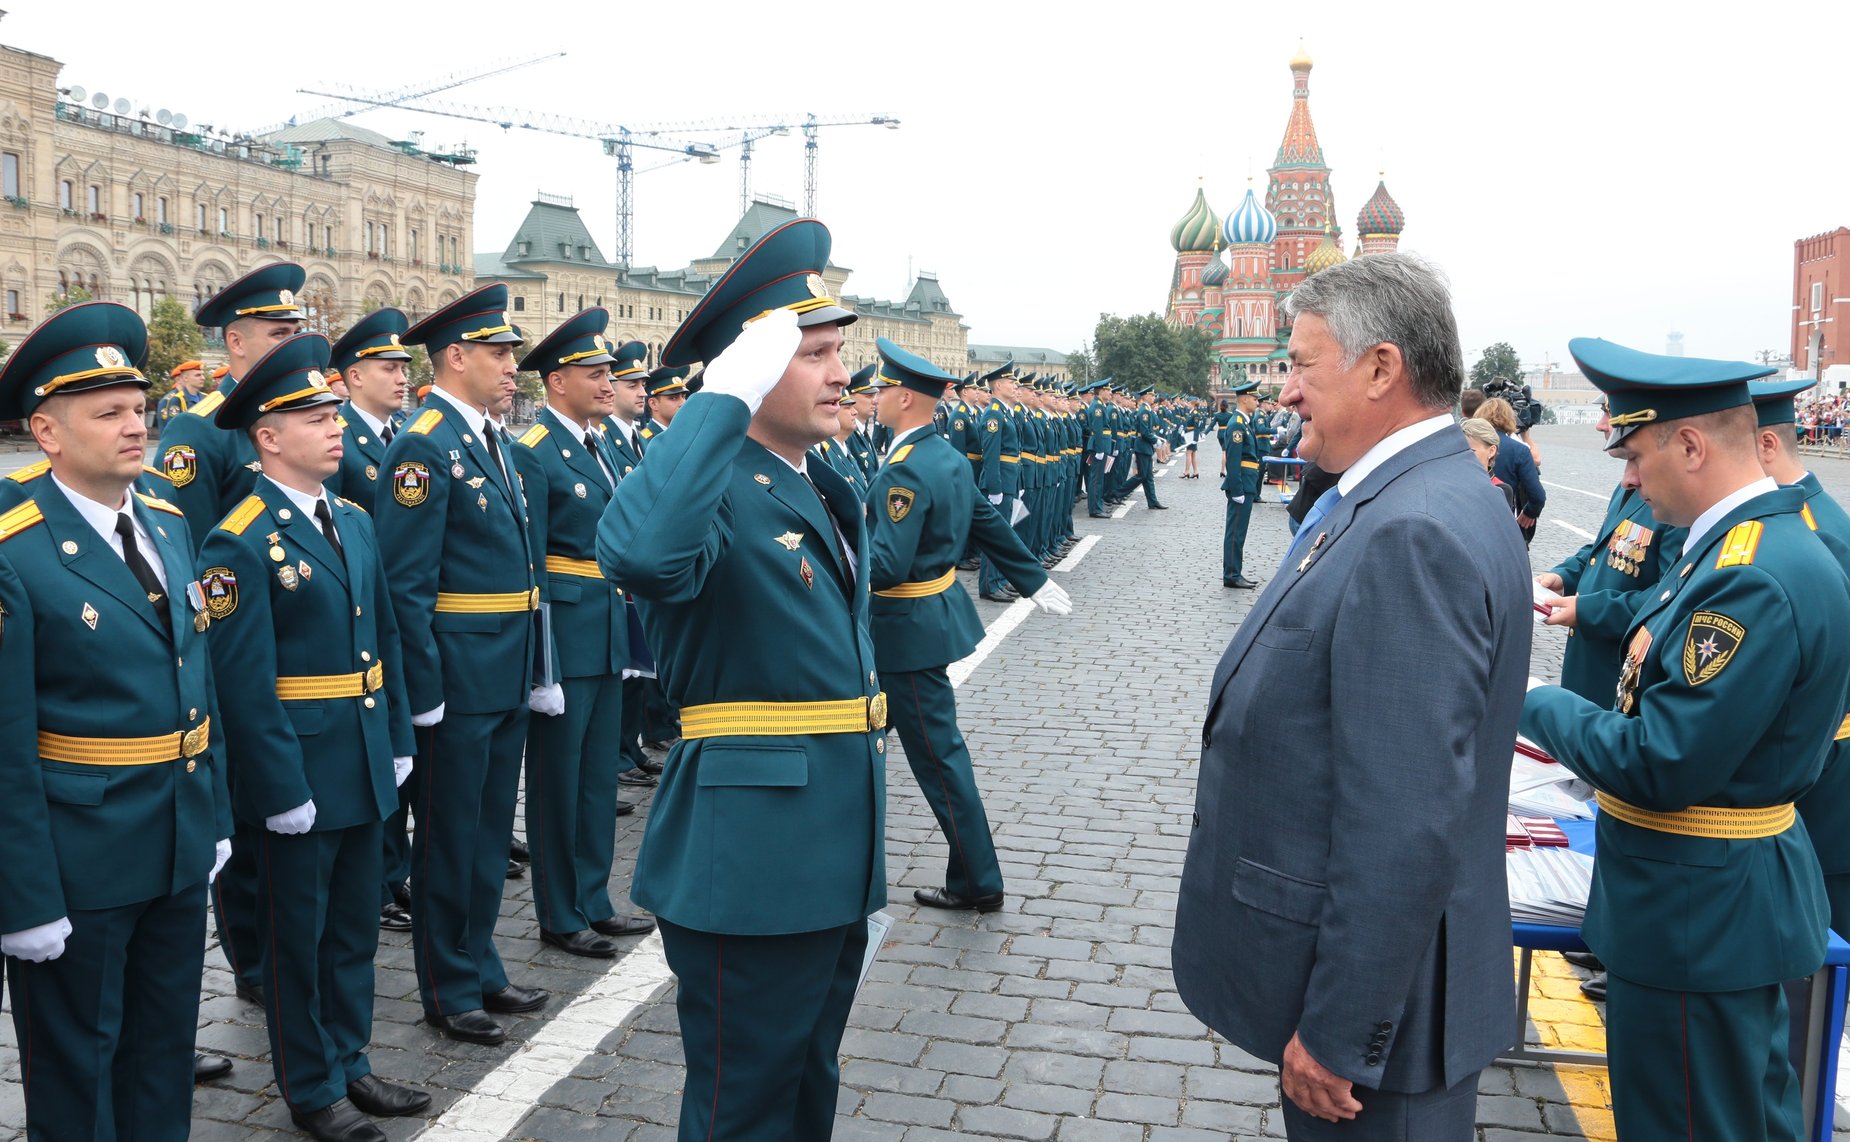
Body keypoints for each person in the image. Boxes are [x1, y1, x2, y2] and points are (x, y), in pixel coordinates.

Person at [1173, 254, 1531, 1141]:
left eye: (1300, 364)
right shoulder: (1415, 490)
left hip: (1384, 1038)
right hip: (1395, 1007)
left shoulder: (1411, 529)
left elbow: (1404, 819)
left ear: (1380, 369)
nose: (1284, 390)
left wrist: (1340, 1031)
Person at [597, 219, 884, 1142]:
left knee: (805, 1087)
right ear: (753, 370)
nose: (843, 373)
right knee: (743, 1107)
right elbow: (639, 553)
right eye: (815, 354)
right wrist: (716, 401)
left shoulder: (815, 480)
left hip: (828, 845)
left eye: (839, 350)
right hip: (753, 852)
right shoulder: (710, 479)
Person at [1521, 338, 1850, 1140]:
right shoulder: (1735, 550)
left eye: (1634, 454)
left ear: (1691, 445)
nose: (1628, 478)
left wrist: (1524, 700)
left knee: (1692, 1123)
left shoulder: (1750, 574)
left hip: (1698, 912)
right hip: (1701, 906)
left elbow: (1659, 760)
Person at [0, 301, 233, 1140]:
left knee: (162, 1051)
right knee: (78, 1070)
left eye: (140, 409)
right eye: (109, 414)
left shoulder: (167, 522)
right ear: (47, 432)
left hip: (174, 842)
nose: (137, 427)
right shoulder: (13, 547)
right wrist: (22, 899)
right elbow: (4, 746)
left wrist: (217, 820)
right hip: (79, 862)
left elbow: (199, 686)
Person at [198, 332, 430, 1142]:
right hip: (299, 767)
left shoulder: (356, 521)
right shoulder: (239, 538)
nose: (335, 426)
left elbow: (388, 639)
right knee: (298, 940)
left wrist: (397, 734)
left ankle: (351, 1060)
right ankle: (312, 1087)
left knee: (352, 927)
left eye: (334, 411)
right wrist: (278, 788)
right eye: (313, 416)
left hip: (361, 754)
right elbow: (241, 682)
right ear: (267, 437)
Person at [373, 284, 549, 1047]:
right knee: (447, 838)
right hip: (456, 679)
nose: (513, 367)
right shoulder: (423, 444)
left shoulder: (491, 437)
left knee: (484, 833)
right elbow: (406, 587)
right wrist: (425, 695)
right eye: (500, 353)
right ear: (454, 357)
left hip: (503, 670)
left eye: (512, 353)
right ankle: (447, 986)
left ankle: (479, 962)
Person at [862, 338, 1072, 915]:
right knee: (939, 755)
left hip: (903, 629)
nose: (874, 397)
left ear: (904, 398)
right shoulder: (944, 456)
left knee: (938, 760)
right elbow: (988, 521)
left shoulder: (905, 468)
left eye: (881, 390)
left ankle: (979, 879)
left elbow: (886, 565)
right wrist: (1032, 579)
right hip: (929, 621)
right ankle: (969, 874)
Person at [161, 261, 308, 1005]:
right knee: (249, 810)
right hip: (236, 637)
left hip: (300, 634)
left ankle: (282, 945)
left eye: (297, 331)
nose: (292, 342)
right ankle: (252, 961)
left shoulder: (292, 413)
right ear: (237, 342)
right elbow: (183, 550)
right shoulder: (200, 429)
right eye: (279, 333)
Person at [511, 309, 658, 959]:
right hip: (563, 633)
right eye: (595, 373)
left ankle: (595, 898)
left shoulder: (599, 446)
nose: (609, 382)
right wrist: (541, 664)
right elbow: (533, 565)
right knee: (557, 781)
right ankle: (560, 911)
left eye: (608, 372)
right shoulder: (535, 450)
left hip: (602, 626)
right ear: (557, 381)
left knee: (598, 776)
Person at [1748, 378, 1850, 952]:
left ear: (1765, 445)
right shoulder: (1789, 521)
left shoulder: (1818, 533)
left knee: (1818, 955)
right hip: (1806, 764)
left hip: (1823, 778)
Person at [1479, 397, 1544, 545]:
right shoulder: (1519, 450)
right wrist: (1529, 512)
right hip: (1503, 522)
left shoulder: (1467, 444)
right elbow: (1537, 495)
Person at [1219, 379, 1263, 588]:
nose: (1258, 402)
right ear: (1245, 399)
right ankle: (1232, 574)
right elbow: (1234, 459)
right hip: (1242, 485)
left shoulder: (1244, 422)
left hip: (1247, 482)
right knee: (1236, 531)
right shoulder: (1237, 423)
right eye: (1255, 398)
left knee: (1239, 531)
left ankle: (1235, 572)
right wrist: (1236, 488)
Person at [1457, 418, 1517, 513]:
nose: (1463, 455)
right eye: (1459, 451)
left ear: (1491, 451)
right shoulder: (1451, 481)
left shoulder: (1500, 489)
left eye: (1470, 451)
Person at [158, 359, 206, 425]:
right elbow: (171, 427)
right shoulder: (175, 399)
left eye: (203, 375)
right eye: (198, 375)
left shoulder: (206, 397)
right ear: (184, 378)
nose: (203, 378)